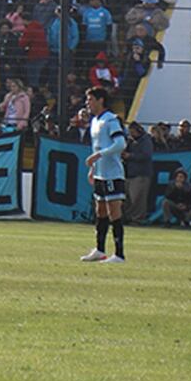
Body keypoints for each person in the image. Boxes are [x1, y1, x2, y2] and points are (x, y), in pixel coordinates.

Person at [81, 86, 128, 263]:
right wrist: (93, 168)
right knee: (99, 210)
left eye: (90, 100)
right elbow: (97, 146)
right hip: (100, 173)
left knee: (113, 212)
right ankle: (100, 249)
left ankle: (119, 254)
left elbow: (120, 144)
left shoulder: (111, 119)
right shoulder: (95, 121)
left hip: (113, 174)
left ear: (101, 100)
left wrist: (98, 156)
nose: (88, 103)